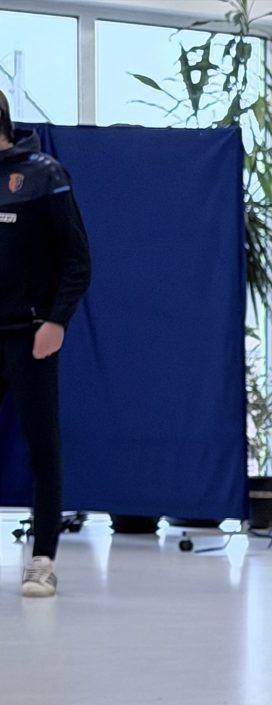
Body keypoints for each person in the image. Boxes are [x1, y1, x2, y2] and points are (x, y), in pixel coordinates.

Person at [0, 90, 91, 599]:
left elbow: (77, 259)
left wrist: (56, 321)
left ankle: (42, 560)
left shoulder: (44, 175)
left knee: (42, 447)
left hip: (30, 336)